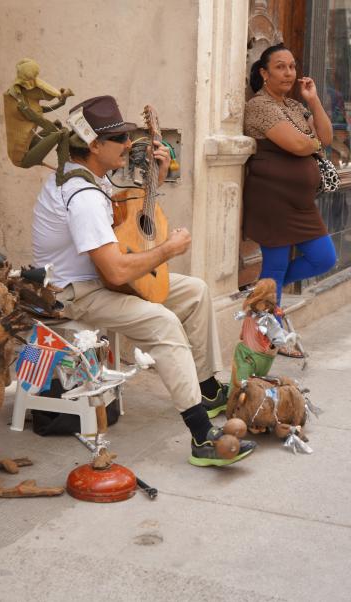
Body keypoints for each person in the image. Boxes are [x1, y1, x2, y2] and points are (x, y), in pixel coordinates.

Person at [32, 95, 256, 467]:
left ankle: (206, 389)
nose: (128, 145)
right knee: (162, 322)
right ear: (93, 146)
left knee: (195, 292)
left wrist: (159, 177)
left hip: (100, 280)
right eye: (119, 139)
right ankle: (202, 435)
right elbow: (117, 271)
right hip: (73, 292)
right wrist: (168, 249)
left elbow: (126, 218)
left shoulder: (91, 177)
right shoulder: (82, 195)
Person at [243, 43, 337, 356]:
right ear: (264, 73)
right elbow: (298, 145)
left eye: (292, 66)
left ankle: (263, 292)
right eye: (280, 66)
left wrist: (313, 100)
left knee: (324, 258)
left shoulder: (296, 107)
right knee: (277, 263)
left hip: (300, 204)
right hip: (272, 199)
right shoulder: (259, 106)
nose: (288, 72)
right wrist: (310, 144)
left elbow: (325, 138)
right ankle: (273, 335)